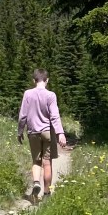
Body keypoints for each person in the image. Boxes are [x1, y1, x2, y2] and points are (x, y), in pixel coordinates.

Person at [17, 68, 67, 203]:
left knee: (36, 161)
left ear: (34, 80)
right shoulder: (51, 95)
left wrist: (20, 131)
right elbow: (55, 116)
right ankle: (46, 194)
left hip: (33, 132)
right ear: (47, 80)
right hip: (47, 132)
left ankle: (36, 183)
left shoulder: (28, 94)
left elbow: (22, 116)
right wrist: (60, 133)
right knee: (47, 163)